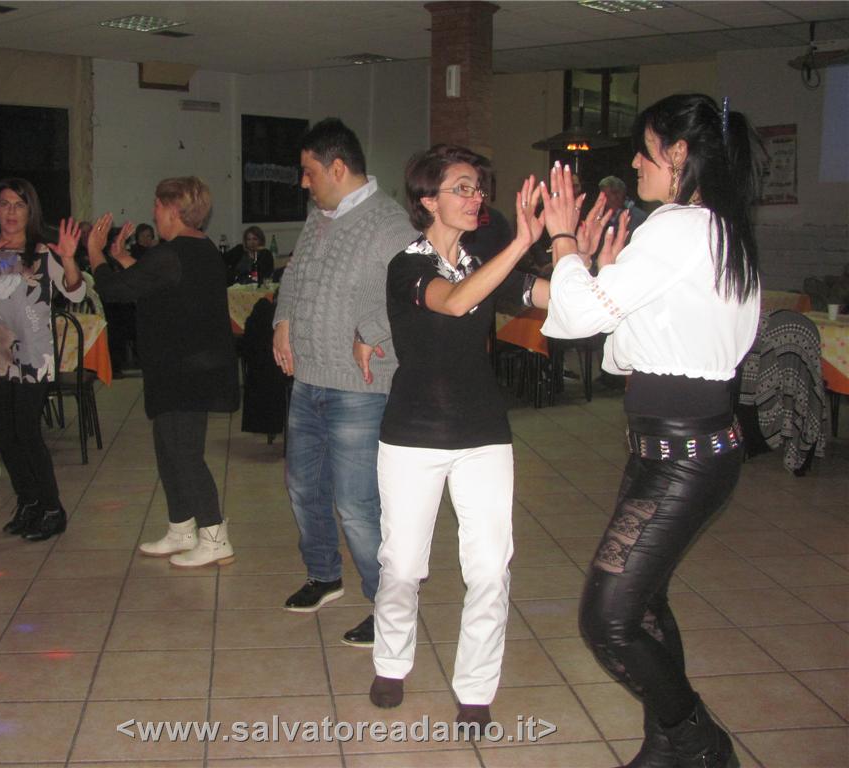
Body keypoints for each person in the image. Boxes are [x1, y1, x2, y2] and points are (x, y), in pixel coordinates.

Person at [539, 94, 760, 768]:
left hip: (682, 456)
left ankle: (701, 744)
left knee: (607, 618)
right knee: (644, 604)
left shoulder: (680, 227)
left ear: (680, 154)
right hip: (680, 448)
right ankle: (668, 747)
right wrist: (601, 275)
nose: (635, 162)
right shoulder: (717, 228)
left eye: (645, 150)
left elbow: (581, 318)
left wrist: (564, 238)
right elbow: (632, 337)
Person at [368, 146, 542, 729]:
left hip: (483, 432)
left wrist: (581, 260)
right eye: (462, 188)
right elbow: (456, 300)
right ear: (428, 200)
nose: (476, 198)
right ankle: (391, 661)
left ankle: (476, 688)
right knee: (401, 566)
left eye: (478, 188)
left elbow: (543, 295)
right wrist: (520, 244)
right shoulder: (406, 266)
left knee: (490, 566)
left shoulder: (482, 261)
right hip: (413, 435)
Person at [273, 117, 418, 646]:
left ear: (338, 168)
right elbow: (295, 275)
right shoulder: (319, 217)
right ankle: (323, 574)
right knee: (304, 487)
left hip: (361, 387)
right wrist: (282, 319)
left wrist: (372, 330)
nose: (303, 182)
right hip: (309, 380)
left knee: (357, 505)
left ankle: (390, 606)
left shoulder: (390, 223)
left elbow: (417, 291)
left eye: (309, 172)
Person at [87, 177, 239, 568]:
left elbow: (116, 290)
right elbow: (156, 284)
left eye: (157, 205)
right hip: (183, 367)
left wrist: (95, 254)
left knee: (184, 454)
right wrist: (123, 259)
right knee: (168, 451)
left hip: (185, 371)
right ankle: (181, 529)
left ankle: (214, 536)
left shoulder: (172, 253)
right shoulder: (197, 249)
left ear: (173, 209)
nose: (153, 212)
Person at [0, 178, 84, 542]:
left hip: (33, 352)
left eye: (19, 204)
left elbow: (75, 292)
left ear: (31, 211)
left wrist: (69, 258)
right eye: (5, 204)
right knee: (5, 434)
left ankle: (53, 509)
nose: (11, 212)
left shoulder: (44, 251)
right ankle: (28, 501)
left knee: (27, 432)